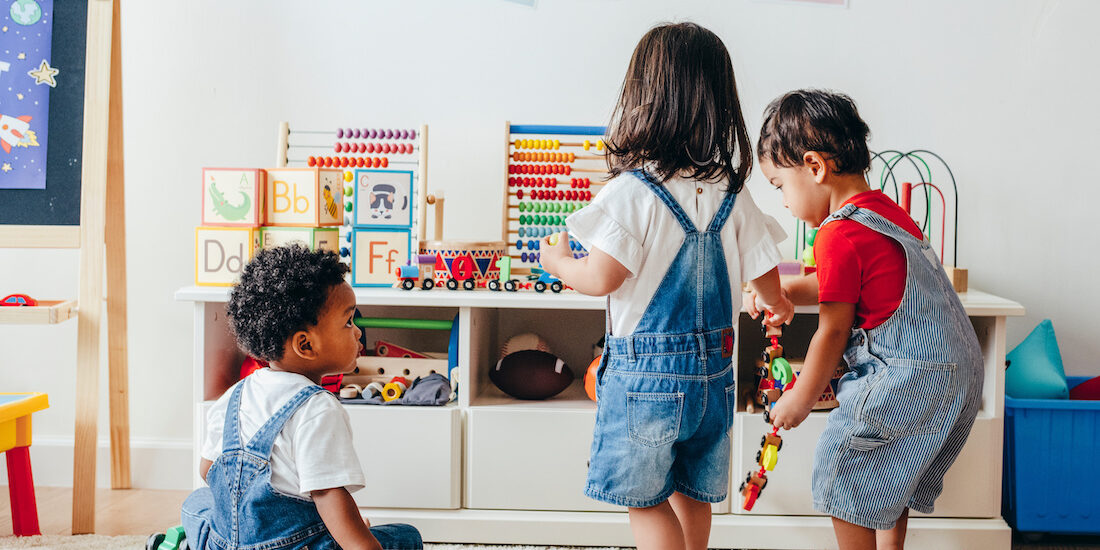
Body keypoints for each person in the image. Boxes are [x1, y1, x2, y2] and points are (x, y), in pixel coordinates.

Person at [539, 22, 794, 550]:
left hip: (646, 380)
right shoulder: (732, 191)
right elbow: (766, 274)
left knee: (645, 499)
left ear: (643, 99)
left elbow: (600, 277)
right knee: (693, 492)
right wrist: (778, 305)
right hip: (715, 379)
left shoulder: (631, 191)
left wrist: (559, 262)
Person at [750, 89, 983, 550]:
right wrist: (785, 293)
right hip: (958, 368)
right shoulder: (887, 214)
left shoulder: (836, 233)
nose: (782, 202)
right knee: (890, 470)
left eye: (779, 185)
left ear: (815, 167)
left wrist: (799, 396)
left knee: (842, 465)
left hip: (912, 371)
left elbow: (833, 329)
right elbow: (848, 283)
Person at [180, 245, 422, 550]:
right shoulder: (317, 407)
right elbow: (329, 495)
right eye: (348, 322)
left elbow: (207, 470)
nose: (358, 332)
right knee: (405, 537)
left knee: (197, 503)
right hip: (294, 545)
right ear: (305, 345)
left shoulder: (234, 395)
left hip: (226, 543)